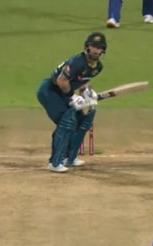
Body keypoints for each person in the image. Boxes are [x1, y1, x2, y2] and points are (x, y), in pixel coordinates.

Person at [36, 32, 105, 173]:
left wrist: (86, 92)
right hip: (50, 91)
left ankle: (69, 157)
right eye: (94, 46)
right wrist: (72, 97)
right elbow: (61, 80)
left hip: (64, 92)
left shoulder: (98, 67)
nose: (96, 50)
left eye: (99, 47)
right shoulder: (77, 62)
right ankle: (55, 162)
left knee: (81, 121)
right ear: (88, 47)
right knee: (66, 123)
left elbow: (81, 81)